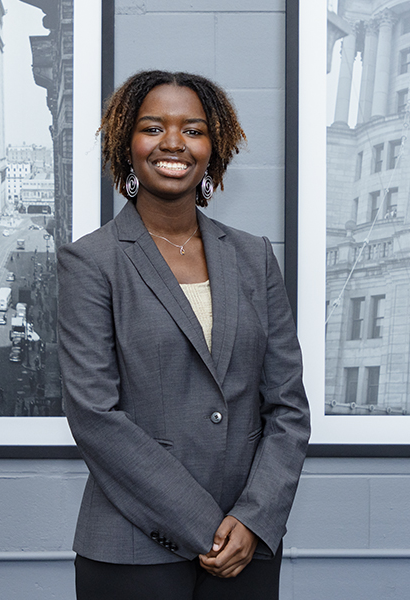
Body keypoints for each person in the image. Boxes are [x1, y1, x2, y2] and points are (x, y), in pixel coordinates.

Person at [57, 70, 310, 600]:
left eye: (193, 130)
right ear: (127, 142)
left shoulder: (254, 256)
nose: (173, 142)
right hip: (132, 548)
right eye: (153, 127)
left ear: (213, 148)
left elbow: (286, 405)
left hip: (248, 546)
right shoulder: (91, 262)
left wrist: (253, 519)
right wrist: (207, 530)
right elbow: (95, 417)